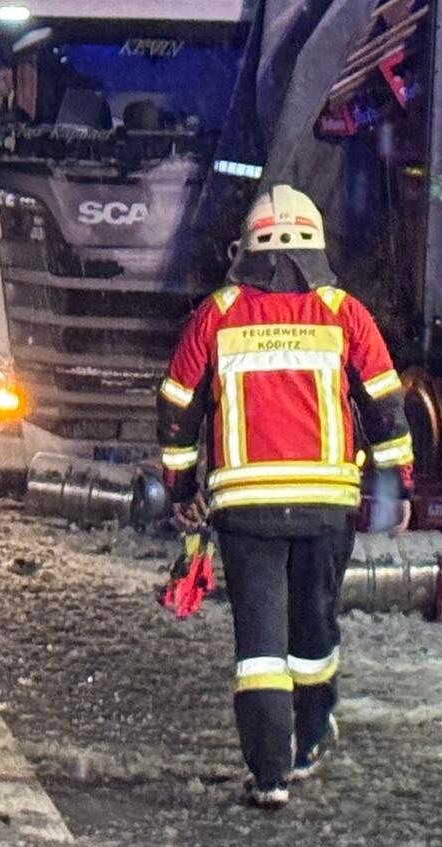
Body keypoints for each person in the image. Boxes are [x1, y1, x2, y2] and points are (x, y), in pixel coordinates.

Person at [156, 184, 415, 809]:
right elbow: (385, 406)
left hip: (247, 510)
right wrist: (397, 488)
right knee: (313, 629)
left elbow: (176, 411)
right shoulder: (345, 313)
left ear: (244, 249)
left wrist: (181, 489)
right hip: (328, 507)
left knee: (260, 647)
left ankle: (269, 774)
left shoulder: (216, 314)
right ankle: (308, 741)